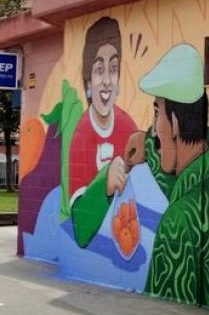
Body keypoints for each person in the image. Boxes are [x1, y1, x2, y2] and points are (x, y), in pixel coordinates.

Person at [124, 43, 209, 311]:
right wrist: (147, 143)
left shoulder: (177, 220)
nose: (153, 129)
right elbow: (175, 179)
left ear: (177, 123)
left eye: (156, 113)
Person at [67, 17, 138, 246]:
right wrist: (104, 184)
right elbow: (80, 230)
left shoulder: (128, 127)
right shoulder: (81, 135)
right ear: (88, 81)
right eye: (99, 70)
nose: (107, 80)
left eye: (113, 69)